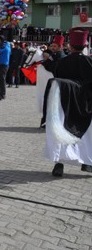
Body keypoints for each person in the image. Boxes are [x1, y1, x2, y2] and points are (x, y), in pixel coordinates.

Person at [44, 29, 92, 177]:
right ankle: (87, 163)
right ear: (84, 46)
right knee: (87, 133)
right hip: (85, 103)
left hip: (63, 102)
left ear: (70, 46)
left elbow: (56, 76)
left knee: (62, 130)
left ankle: (59, 164)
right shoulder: (89, 61)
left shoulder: (62, 61)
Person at [0, 35, 11, 100]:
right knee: (1, 80)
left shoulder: (4, 46)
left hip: (3, 65)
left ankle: (2, 95)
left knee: (2, 80)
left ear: (1, 40)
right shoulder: (4, 45)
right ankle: (1, 94)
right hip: (1, 64)